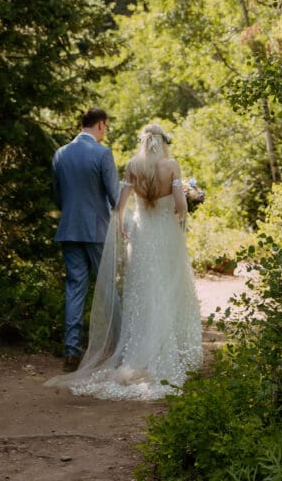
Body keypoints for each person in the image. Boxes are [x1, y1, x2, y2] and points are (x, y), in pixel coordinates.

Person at [46, 122, 202, 400]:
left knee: (143, 290)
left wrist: (121, 227)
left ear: (143, 141)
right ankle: (166, 350)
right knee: (168, 288)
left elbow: (119, 206)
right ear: (163, 142)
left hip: (142, 237)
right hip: (166, 236)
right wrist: (188, 200)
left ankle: (139, 353)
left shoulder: (133, 165)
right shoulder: (172, 166)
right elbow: (180, 205)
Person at [51, 107, 120, 371]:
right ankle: (118, 346)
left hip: (69, 228)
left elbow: (58, 196)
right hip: (97, 230)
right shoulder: (102, 154)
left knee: (74, 288)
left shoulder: (60, 153)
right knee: (106, 287)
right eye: (107, 127)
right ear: (101, 125)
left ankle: (71, 352)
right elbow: (115, 197)